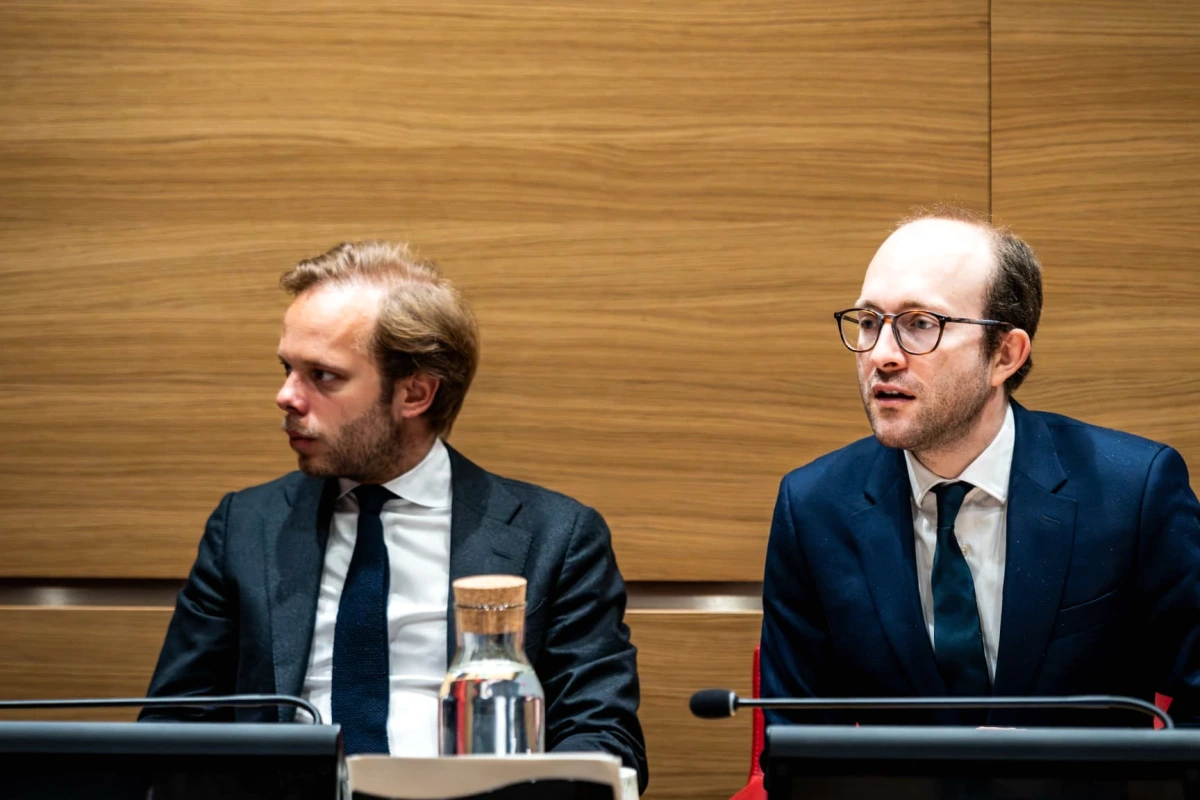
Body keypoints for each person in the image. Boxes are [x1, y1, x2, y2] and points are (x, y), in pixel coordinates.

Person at [141, 241, 648, 789]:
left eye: (323, 376)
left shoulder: (556, 537)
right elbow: (173, 727)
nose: (286, 396)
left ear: (415, 393)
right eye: (287, 368)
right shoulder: (246, 526)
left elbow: (603, 735)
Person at [760, 207, 1200, 728]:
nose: (882, 354)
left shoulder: (1134, 491)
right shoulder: (813, 507)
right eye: (870, 322)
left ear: (1005, 355)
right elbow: (796, 742)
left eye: (920, 324)